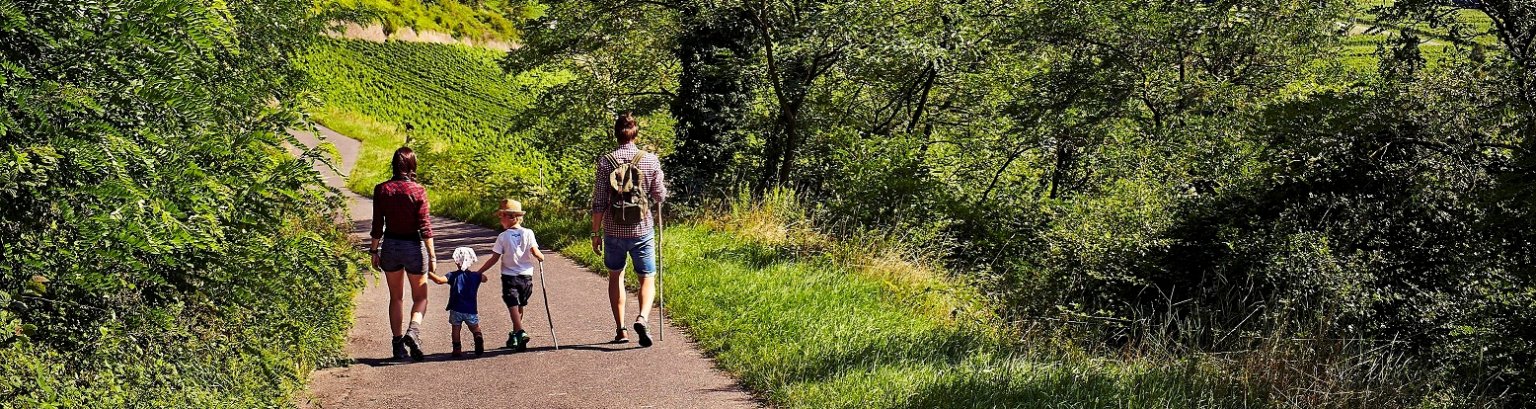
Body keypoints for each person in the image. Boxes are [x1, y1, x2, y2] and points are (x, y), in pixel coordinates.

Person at [590, 112, 667, 347]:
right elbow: (659, 195)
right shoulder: (650, 160)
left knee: (616, 275)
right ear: (635, 134)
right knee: (647, 277)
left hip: (613, 230)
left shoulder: (606, 162)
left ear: (616, 134)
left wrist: (595, 233)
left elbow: (599, 201)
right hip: (642, 230)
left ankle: (621, 330)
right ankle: (642, 318)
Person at [369, 146, 438, 362]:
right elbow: (425, 227)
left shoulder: (382, 189)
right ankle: (413, 331)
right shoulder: (418, 191)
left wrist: (374, 250)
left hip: (391, 246)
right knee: (421, 297)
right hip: (414, 247)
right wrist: (432, 255)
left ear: (393, 165)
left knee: (396, 297)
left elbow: (377, 224)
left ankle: (398, 346)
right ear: (412, 166)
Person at [473, 199, 547, 351]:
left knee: (512, 304)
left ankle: (519, 331)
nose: (500, 219)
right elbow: (535, 252)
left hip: (509, 277)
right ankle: (515, 335)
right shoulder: (528, 233)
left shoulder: (503, 237)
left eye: (502, 216)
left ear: (511, 217)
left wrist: (479, 272)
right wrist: (541, 256)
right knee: (518, 305)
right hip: (526, 277)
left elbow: (494, 258)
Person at [441, 247, 488, 358]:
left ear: (457, 261)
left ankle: (457, 349)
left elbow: (439, 280)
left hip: (456, 308)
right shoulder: (475, 276)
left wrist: (429, 274)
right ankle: (477, 336)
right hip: (471, 310)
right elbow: (485, 278)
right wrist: (478, 275)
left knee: (456, 328)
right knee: (475, 327)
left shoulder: (452, 275)